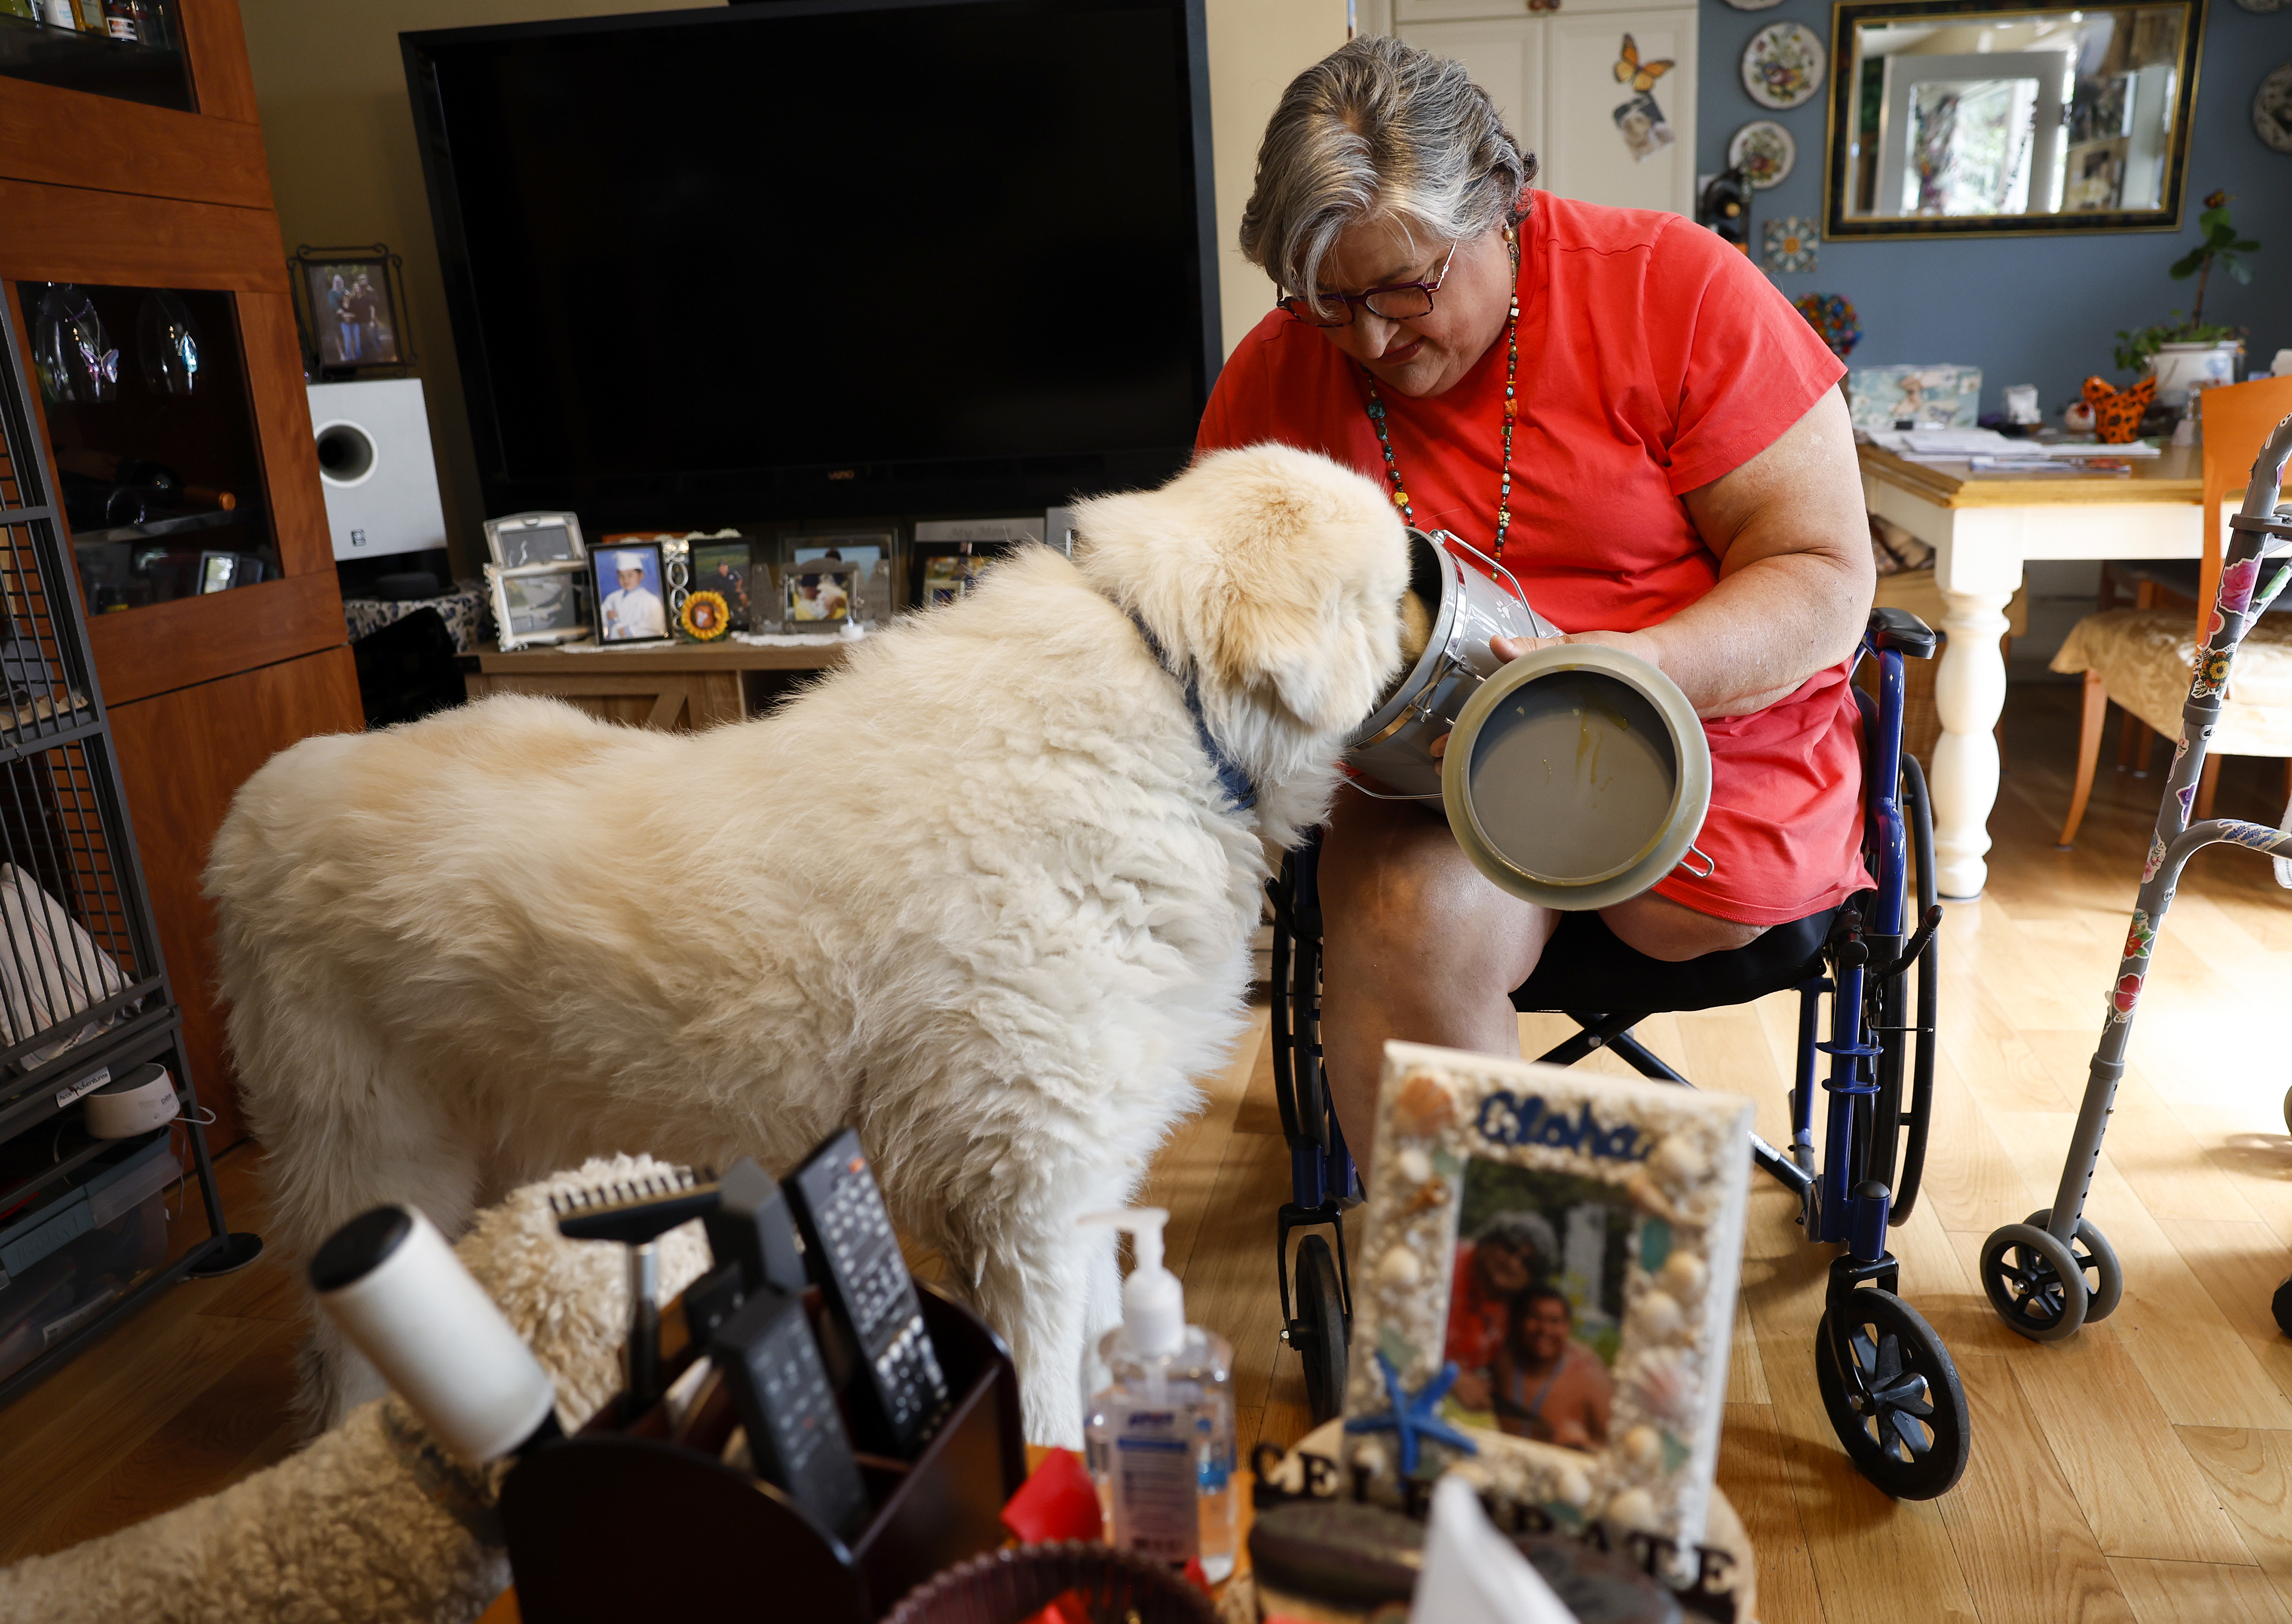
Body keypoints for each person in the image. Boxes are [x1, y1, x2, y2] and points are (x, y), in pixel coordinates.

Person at [1199, 39, 1874, 1172]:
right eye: (1328, 302)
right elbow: (1217, 605)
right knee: (1408, 924)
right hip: (1429, 777)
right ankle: (1478, 1322)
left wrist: (1630, 666)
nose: (1368, 340)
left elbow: (1817, 571)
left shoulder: (1676, 286)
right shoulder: (1279, 368)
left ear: (1498, 207)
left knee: (1683, 906)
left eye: (1404, 289)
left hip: (1692, 716)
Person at [1443, 1210, 1556, 1413]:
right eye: (1510, 1248)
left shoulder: (1513, 1307)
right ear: (1487, 1241)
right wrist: (1449, 1377)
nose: (1514, 1264)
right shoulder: (1445, 1262)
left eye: (1528, 1263)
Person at [1490, 1284, 1611, 1451]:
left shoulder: (1591, 1378)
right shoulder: (1501, 1358)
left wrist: (1584, 1446)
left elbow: (1616, 1451)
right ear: (1520, 1322)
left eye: (1555, 1321)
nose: (1544, 1330)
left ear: (1568, 1328)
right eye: (1535, 1318)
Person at [600, 552, 666, 640]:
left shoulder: (650, 600)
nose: (625, 580)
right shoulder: (612, 598)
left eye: (630, 575)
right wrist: (609, 618)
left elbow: (656, 627)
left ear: (641, 575)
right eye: (621, 576)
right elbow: (601, 619)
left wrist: (630, 631)